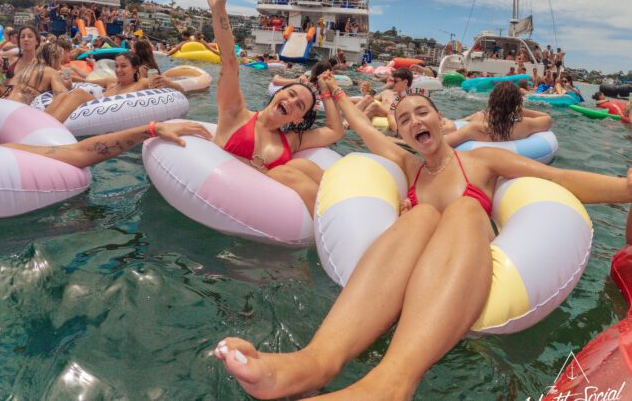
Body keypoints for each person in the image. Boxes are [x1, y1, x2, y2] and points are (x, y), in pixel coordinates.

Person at [214, 83, 632, 400]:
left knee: (461, 209)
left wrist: (626, 187)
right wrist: (335, 93)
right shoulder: (409, 168)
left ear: (438, 118)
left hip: (463, 268)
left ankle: (390, 382)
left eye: (422, 113)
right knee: (421, 215)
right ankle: (313, 362)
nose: (414, 122)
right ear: (402, 132)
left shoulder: (481, 160)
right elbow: (361, 129)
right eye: (404, 120)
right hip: (414, 278)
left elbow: (559, 180)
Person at [208, 0, 344, 214]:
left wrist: (326, 89)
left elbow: (336, 132)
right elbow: (230, 62)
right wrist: (218, 9)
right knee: (285, 171)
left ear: (299, 119)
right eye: (290, 94)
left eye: (299, 104)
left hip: (272, 216)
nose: (290, 101)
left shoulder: (291, 140)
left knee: (302, 166)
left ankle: (342, 214)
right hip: (226, 203)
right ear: (278, 94)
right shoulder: (235, 113)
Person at [0, 91, 212, 166]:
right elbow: (79, 153)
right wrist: (151, 129)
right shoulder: (1, 152)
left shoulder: (2, 151)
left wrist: (152, 129)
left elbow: (79, 153)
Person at [45, 52, 149, 122]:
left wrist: (165, 82)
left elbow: (159, 86)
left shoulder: (141, 83)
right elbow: (87, 81)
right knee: (62, 96)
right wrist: (66, 76)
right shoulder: (112, 82)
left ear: (135, 69)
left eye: (123, 66)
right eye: (116, 66)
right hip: (92, 109)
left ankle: (50, 127)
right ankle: (40, 122)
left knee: (78, 93)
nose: (118, 70)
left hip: (104, 113)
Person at [444, 81, 551, 146]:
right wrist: (518, 109)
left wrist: (448, 123)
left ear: (491, 100)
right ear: (517, 104)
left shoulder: (476, 125)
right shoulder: (525, 125)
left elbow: (443, 143)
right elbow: (547, 118)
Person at [0, 29, 67, 105]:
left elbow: (64, 71)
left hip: (18, 97)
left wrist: (66, 76)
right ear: (19, 41)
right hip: (3, 91)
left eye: (30, 36)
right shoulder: (13, 57)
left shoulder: (42, 63)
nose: (25, 39)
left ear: (37, 41)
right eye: (22, 37)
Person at [356, 68, 413, 133]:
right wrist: (365, 92)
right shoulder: (387, 92)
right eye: (392, 80)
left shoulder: (410, 98)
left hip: (390, 114)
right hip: (381, 110)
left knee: (374, 106)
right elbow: (371, 98)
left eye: (395, 81)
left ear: (405, 82)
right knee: (367, 98)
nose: (392, 83)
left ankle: (354, 127)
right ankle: (348, 121)